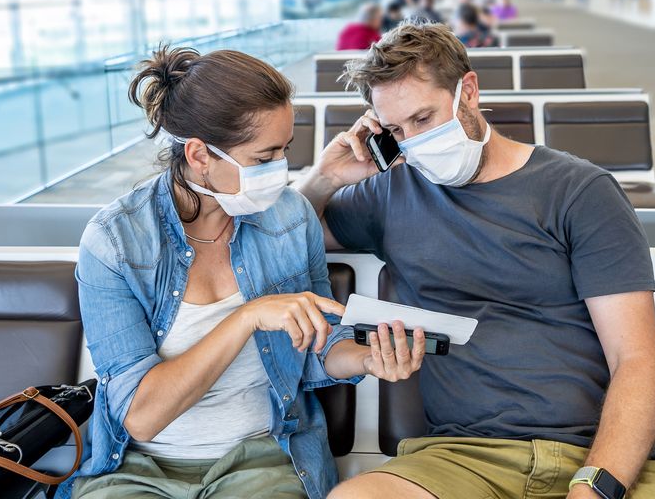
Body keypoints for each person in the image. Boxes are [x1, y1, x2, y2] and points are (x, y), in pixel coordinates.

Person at [297, 24, 655, 499]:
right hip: (460, 459)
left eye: (424, 119)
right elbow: (292, 239)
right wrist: (324, 177)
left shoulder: (579, 191)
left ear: (469, 91)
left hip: (592, 454)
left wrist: (594, 486)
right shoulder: (390, 194)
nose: (413, 141)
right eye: (396, 130)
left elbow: (638, 361)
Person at [68, 47, 424, 499]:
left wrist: (366, 359)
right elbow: (141, 415)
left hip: (261, 456)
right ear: (199, 155)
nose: (279, 171)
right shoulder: (116, 242)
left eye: (284, 151)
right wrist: (245, 317)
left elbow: (318, 343)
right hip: (138, 466)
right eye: (263, 158)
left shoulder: (290, 217)